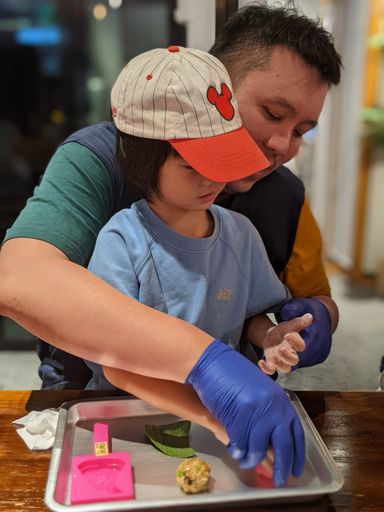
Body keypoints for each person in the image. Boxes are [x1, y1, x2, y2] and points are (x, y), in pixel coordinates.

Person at [0, 3, 342, 486]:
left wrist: (312, 322)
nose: (284, 146)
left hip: (236, 424)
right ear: (216, 88)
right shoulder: (102, 163)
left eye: (303, 131)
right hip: (98, 405)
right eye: (272, 113)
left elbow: (305, 299)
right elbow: (19, 279)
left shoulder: (282, 194)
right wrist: (204, 361)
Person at [84, 45, 311, 393]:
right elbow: (108, 352)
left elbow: (250, 314)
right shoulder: (123, 241)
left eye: (221, 158)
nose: (211, 178)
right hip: (132, 403)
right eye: (192, 165)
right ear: (140, 158)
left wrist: (270, 336)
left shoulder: (240, 234)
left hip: (219, 402)